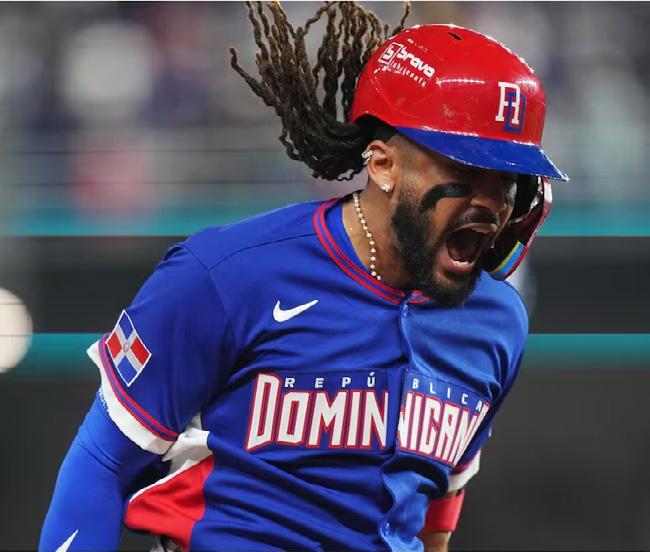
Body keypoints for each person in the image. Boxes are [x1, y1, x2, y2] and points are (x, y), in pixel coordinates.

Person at [40, 2, 568, 551]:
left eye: (508, 179)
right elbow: (102, 462)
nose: (491, 202)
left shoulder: (496, 320)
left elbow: (436, 510)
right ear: (382, 164)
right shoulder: (227, 274)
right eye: (465, 170)